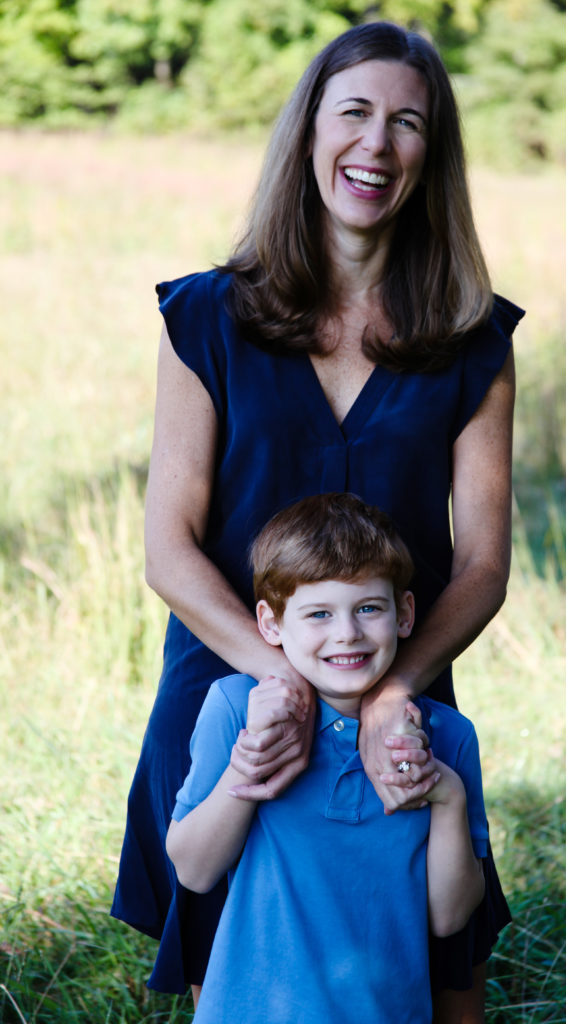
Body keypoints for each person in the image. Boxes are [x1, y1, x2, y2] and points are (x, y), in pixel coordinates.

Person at [111, 19, 524, 1021]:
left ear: (431, 156)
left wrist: (390, 691)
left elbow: (481, 562)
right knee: (246, 975)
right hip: (230, 688)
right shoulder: (206, 318)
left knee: (439, 975)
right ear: (307, 132)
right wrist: (275, 685)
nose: (375, 145)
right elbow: (170, 548)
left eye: (406, 124)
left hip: (399, 677)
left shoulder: (472, 342)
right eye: (353, 113)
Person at [166, 492, 488, 1024]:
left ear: (404, 613)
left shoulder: (447, 736)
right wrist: (244, 768)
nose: (347, 633)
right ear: (270, 624)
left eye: (368, 608)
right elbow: (194, 871)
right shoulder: (234, 708)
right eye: (318, 613)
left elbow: (449, 917)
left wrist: (447, 796)